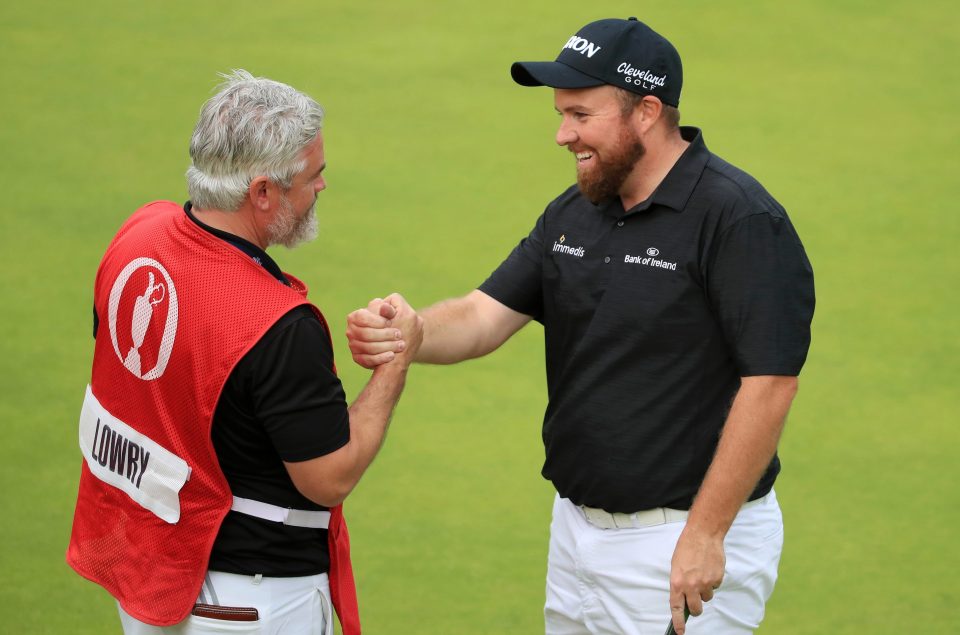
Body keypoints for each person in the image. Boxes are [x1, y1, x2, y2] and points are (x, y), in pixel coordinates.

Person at [347, 18, 814, 635]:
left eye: (580, 115)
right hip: (576, 532)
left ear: (646, 111)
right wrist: (414, 331)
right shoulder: (577, 211)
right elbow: (484, 316)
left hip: (682, 540)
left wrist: (706, 534)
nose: (563, 134)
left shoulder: (739, 220)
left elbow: (771, 383)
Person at [67, 69, 422, 635]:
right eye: (313, 175)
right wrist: (395, 363)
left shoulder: (138, 234)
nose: (321, 188)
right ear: (262, 192)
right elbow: (328, 479)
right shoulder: (278, 325)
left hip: (146, 572)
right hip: (248, 606)